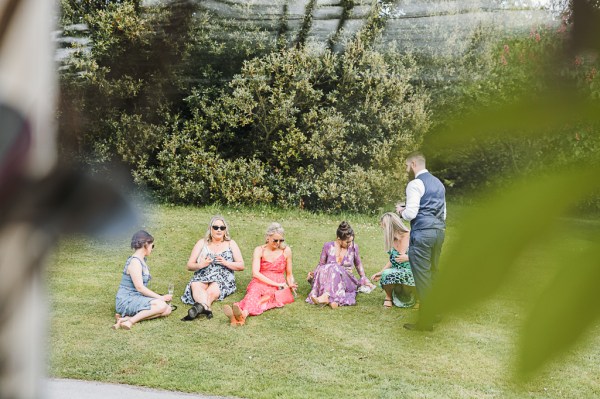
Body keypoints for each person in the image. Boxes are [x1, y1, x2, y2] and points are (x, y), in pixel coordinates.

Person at [396, 151, 446, 331]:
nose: (406, 169)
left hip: (423, 234)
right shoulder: (439, 184)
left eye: (407, 166)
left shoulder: (415, 183)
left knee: (423, 277)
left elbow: (411, 213)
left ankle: (426, 321)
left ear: (414, 164)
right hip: (439, 232)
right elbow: (443, 213)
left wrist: (400, 211)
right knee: (433, 272)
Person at [223, 222, 296, 326]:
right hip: (261, 279)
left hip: (278, 281)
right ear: (268, 237)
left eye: (281, 240)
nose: (278, 243)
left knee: (266, 297)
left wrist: (290, 284)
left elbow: (289, 273)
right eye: (275, 240)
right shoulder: (259, 250)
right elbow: (255, 273)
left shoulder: (286, 250)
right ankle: (241, 316)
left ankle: (242, 314)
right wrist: (277, 284)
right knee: (253, 292)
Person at [181, 215, 244, 320]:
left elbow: (241, 265)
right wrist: (201, 265)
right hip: (203, 274)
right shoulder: (202, 243)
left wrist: (226, 263)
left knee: (212, 290)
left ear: (225, 230)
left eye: (222, 228)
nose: (219, 230)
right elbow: (189, 265)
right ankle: (206, 308)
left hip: (222, 276)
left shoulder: (231, 243)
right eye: (215, 227)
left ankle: (200, 307)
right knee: (196, 285)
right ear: (210, 229)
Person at [306, 221, 375, 308]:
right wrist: (313, 276)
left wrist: (364, 279)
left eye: (351, 241)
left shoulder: (354, 247)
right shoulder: (328, 246)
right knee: (330, 267)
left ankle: (326, 297)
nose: (350, 244)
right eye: (347, 242)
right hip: (330, 279)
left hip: (346, 280)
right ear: (339, 239)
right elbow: (321, 265)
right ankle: (333, 301)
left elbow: (358, 264)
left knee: (334, 267)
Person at [113, 230, 173, 330]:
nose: (152, 249)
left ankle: (126, 318)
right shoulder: (135, 262)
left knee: (168, 309)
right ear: (145, 244)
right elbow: (140, 288)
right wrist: (160, 297)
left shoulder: (141, 260)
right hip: (126, 300)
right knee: (161, 305)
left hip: (136, 297)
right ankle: (130, 322)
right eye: (152, 246)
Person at [371, 212, 417, 308]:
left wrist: (409, 258)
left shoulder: (412, 235)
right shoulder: (392, 240)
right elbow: (392, 260)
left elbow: (424, 256)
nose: (383, 229)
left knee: (416, 274)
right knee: (386, 273)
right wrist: (381, 272)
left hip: (412, 270)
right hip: (397, 271)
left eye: (384, 227)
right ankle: (388, 298)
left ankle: (418, 298)